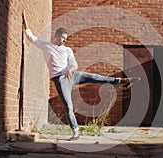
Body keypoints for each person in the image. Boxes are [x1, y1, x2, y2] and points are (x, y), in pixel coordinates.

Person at [22, 11, 140, 140]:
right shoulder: (47, 46)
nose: (65, 40)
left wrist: (70, 69)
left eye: (66, 38)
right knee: (68, 106)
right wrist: (24, 20)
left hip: (72, 74)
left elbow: (74, 64)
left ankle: (121, 80)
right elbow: (31, 37)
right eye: (63, 37)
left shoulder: (68, 50)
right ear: (56, 36)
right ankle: (75, 131)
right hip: (60, 80)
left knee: (95, 77)